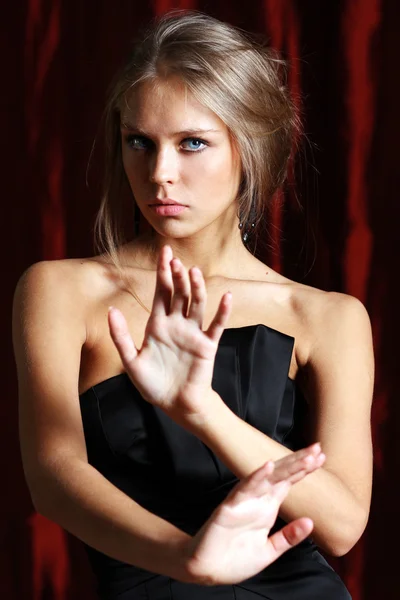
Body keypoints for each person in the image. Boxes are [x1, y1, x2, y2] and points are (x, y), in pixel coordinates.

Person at [13, 9, 374, 600]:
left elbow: (342, 524)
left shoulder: (328, 316)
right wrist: (189, 559)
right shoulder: (60, 290)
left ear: (249, 148)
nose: (160, 174)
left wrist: (205, 411)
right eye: (140, 142)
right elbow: (53, 477)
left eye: (192, 143)